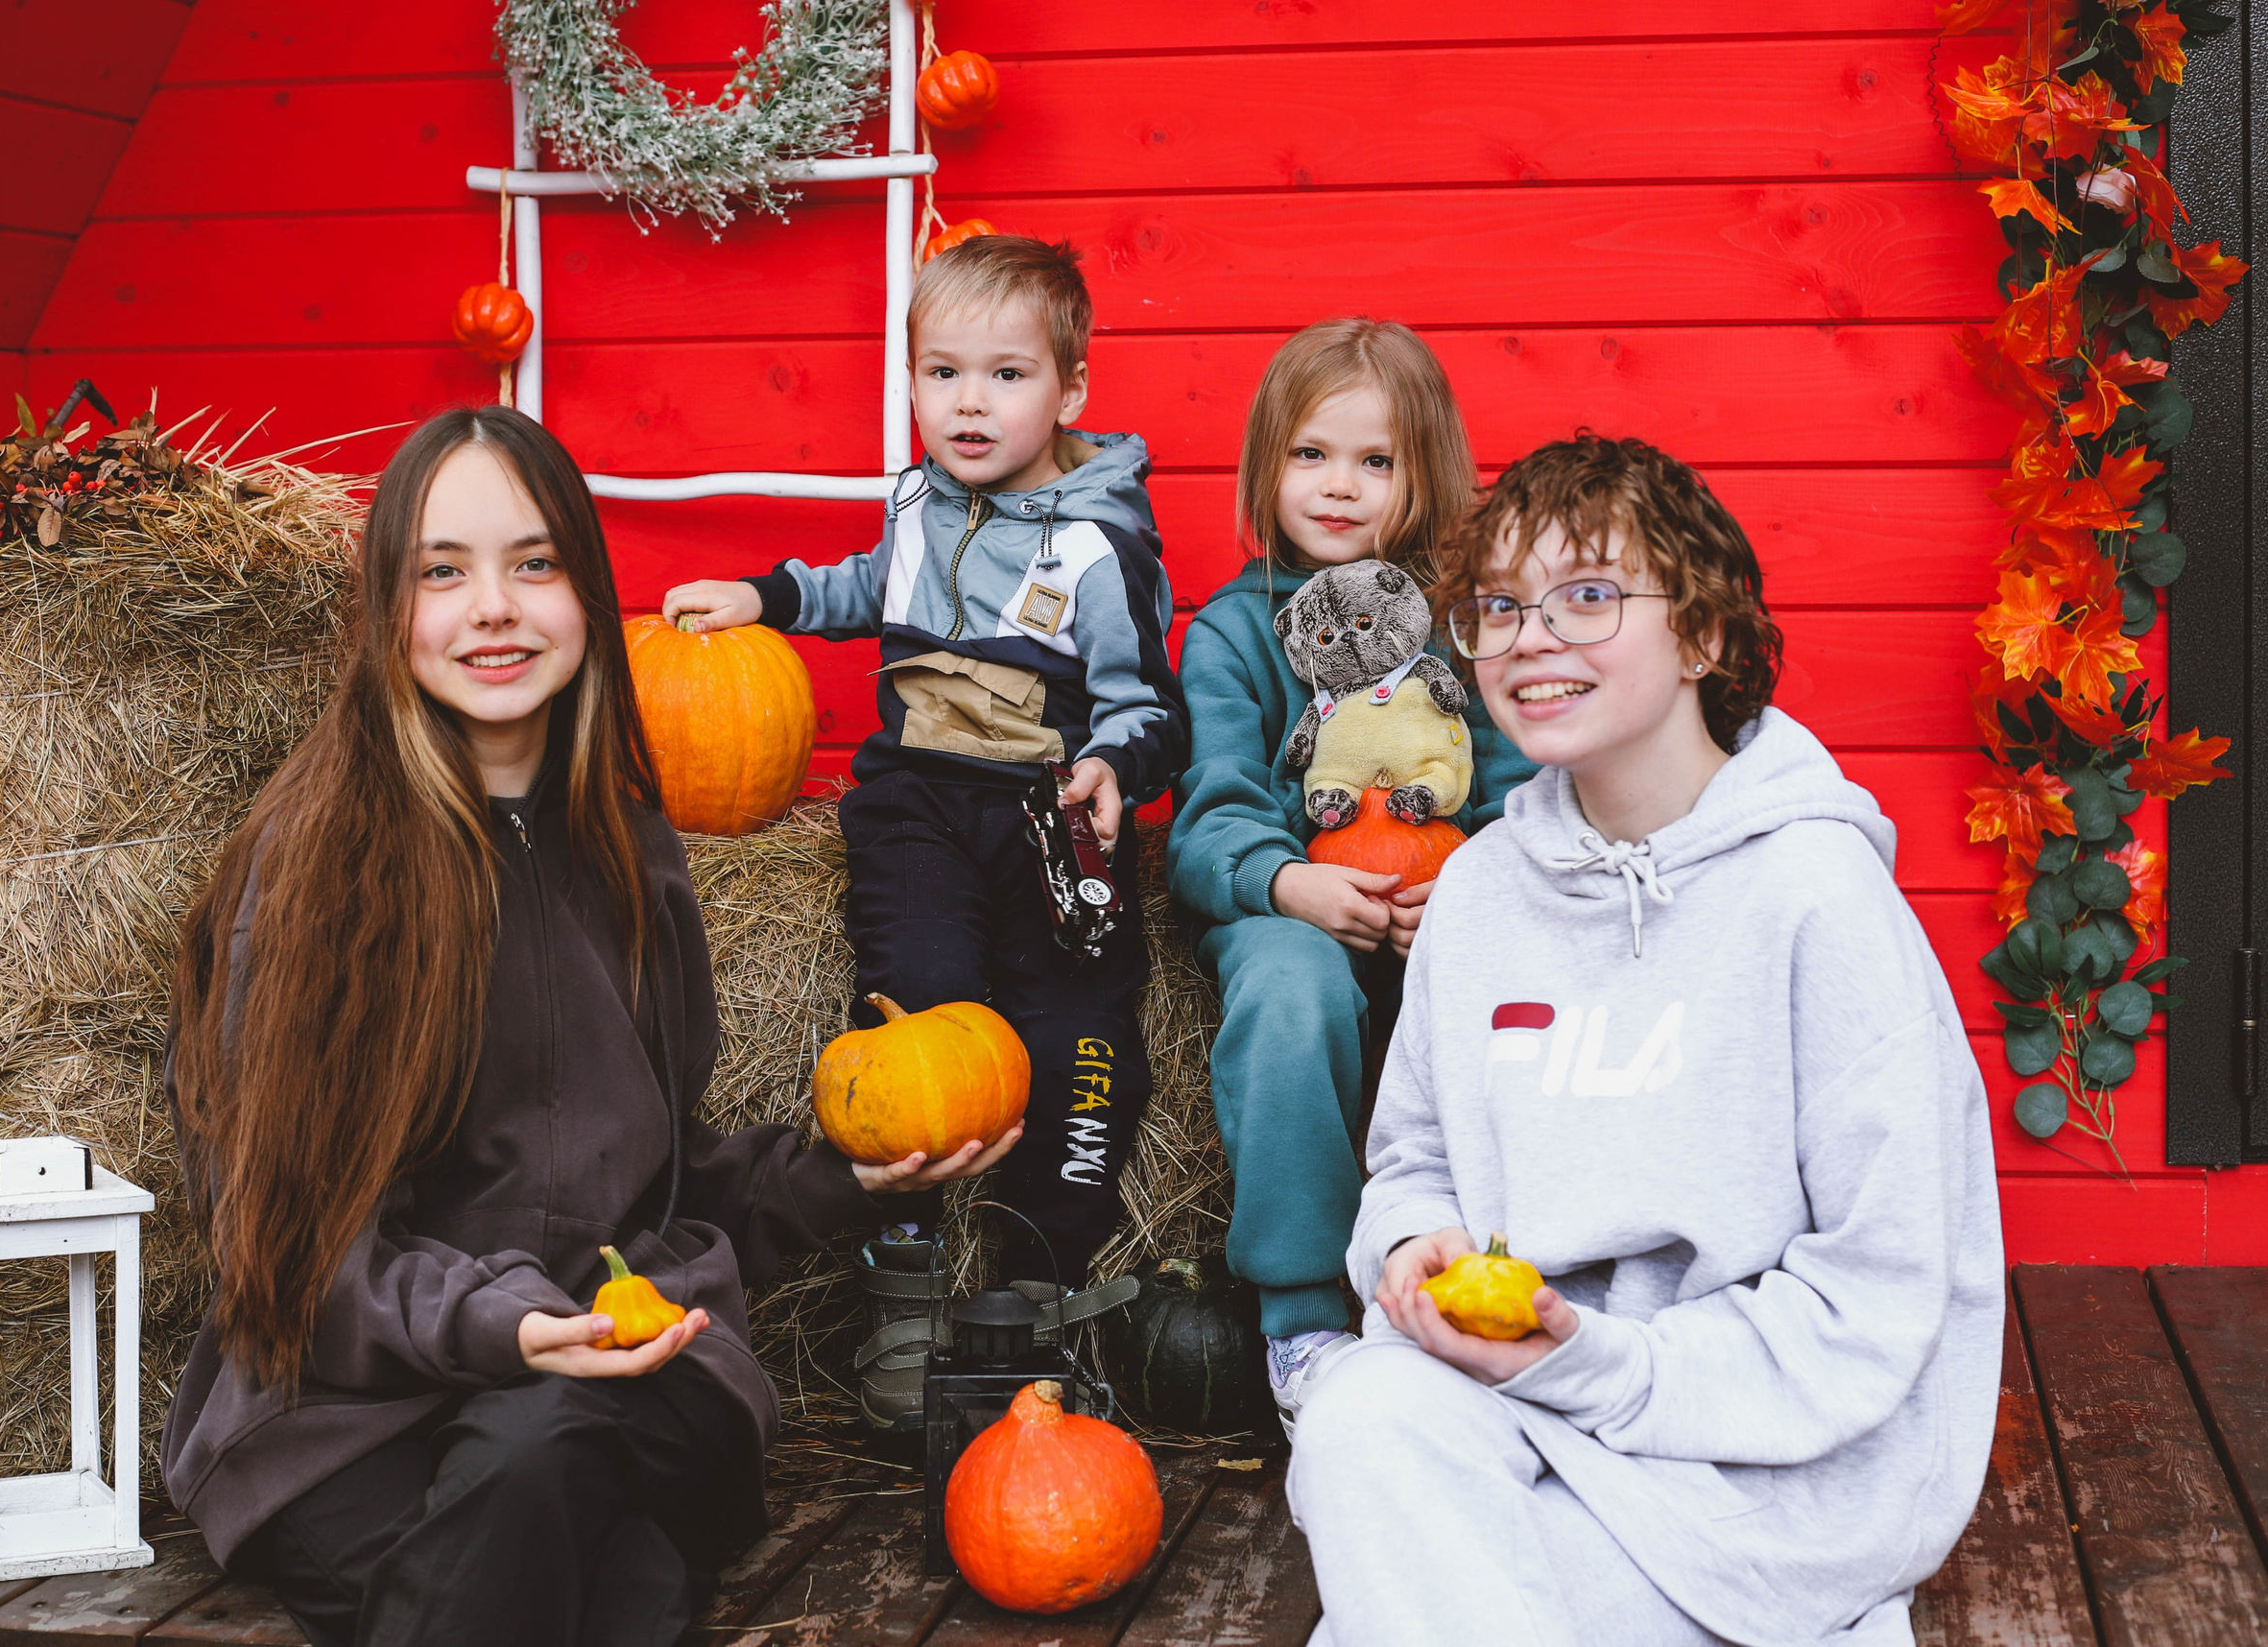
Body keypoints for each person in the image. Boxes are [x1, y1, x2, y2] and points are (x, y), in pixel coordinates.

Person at [159, 407, 1013, 1647]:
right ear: (387, 610)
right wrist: (504, 1326)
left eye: (534, 563)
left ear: (590, 595)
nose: (492, 607)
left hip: (629, 1377)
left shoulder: (632, 854)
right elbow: (292, 1256)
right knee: (608, 1567)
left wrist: (846, 1175)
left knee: (546, 1451)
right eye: (442, 571)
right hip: (365, 1410)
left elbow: (660, 1186)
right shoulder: (314, 878)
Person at [1287, 433, 2002, 1645]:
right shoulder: (1479, 892)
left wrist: (1600, 1365)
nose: (1530, 637)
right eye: (1499, 606)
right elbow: (1414, 1157)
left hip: (1757, 1468)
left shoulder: (1818, 898)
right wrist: (1415, 1243)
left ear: (1705, 636)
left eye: (1588, 595)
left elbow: (1879, 1292)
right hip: (1519, 1401)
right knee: (1355, 1422)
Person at [661, 235, 1186, 1297]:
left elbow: (1150, 708)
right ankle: (903, 1268)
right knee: (915, 1014)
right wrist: (765, 598)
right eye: (941, 374)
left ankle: (1043, 1279)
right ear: (910, 381)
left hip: (1049, 817)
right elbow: (868, 586)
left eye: (1007, 374)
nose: (969, 404)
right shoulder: (916, 499)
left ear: (1070, 386)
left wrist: (1114, 768)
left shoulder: (1098, 546)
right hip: (918, 806)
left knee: (1077, 1039)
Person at [1165, 319, 1536, 1436]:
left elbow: (1525, 792)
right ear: (1266, 463)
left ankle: (1504, 1283)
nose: (1338, 487)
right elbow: (1211, 812)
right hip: (1292, 909)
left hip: (1440, 900)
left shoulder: (1468, 628)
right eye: (1311, 455)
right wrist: (1285, 886)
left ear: (1426, 473)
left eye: (1375, 462)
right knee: (1291, 991)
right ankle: (1303, 1321)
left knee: (1523, 992)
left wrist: (1473, 883)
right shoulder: (1231, 634)